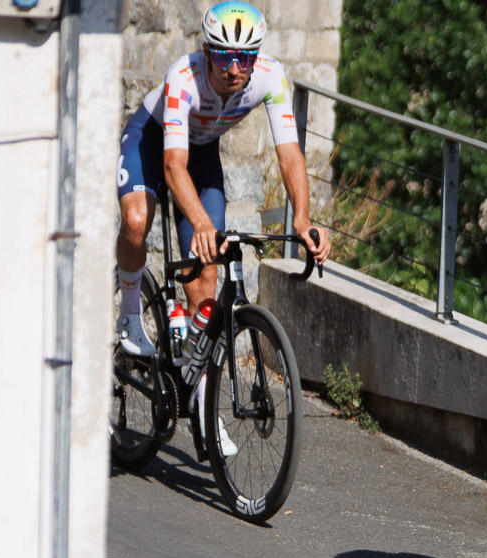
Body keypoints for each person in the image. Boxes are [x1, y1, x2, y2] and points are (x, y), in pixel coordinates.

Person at [114, 1, 329, 457]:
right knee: (136, 221)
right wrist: (203, 224)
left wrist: (303, 219)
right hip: (153, 141)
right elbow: (173, 167)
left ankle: (201, 396)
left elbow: (289, 154)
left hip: (203, 149)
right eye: (225, 56)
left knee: (207, 280)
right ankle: (131, 314)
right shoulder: (183, 77)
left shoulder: (270, 77)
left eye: (245, 57)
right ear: (208, 51)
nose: (236, 68)